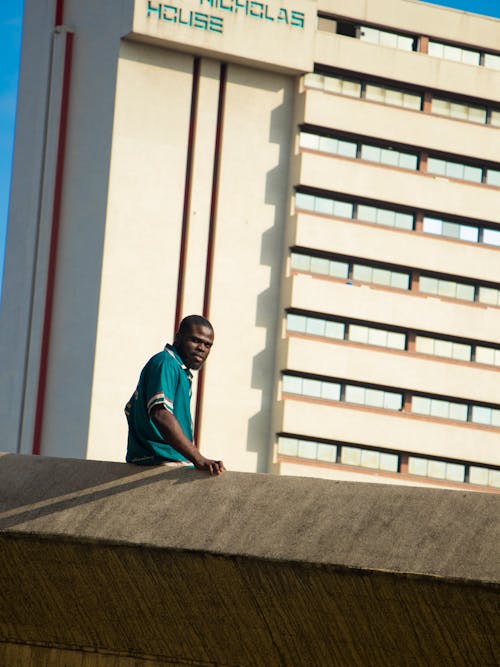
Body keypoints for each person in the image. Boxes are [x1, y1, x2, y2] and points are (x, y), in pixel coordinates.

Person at [125, 315, 224, 475]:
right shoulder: (166, 363)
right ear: (178, 338)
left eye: (207, 345)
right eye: (195, 340)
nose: (202, 348)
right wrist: (198, 458)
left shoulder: (180, 371)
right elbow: (160, 413)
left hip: (167, 461)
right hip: (157, 462)